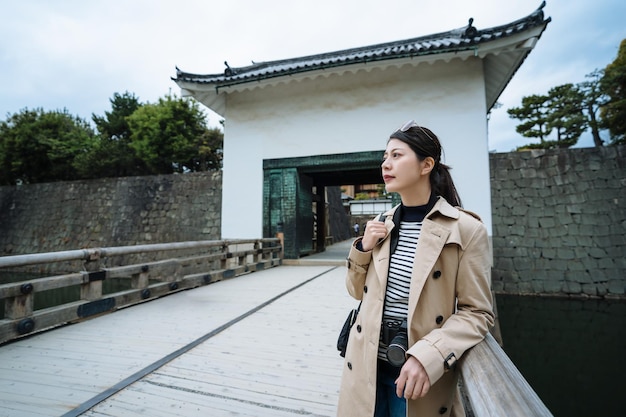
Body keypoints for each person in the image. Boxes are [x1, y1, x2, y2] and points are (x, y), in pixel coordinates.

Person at [337, 120, 494, 417]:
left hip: (415, 376)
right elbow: (356, 291)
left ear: (426, 165)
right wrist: (363, 249)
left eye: (397, 155)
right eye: (385, 157)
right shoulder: (384, 223)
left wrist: (429, 355)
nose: (386, 163)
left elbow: (477, 312)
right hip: (366, 366)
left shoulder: (465, 229)